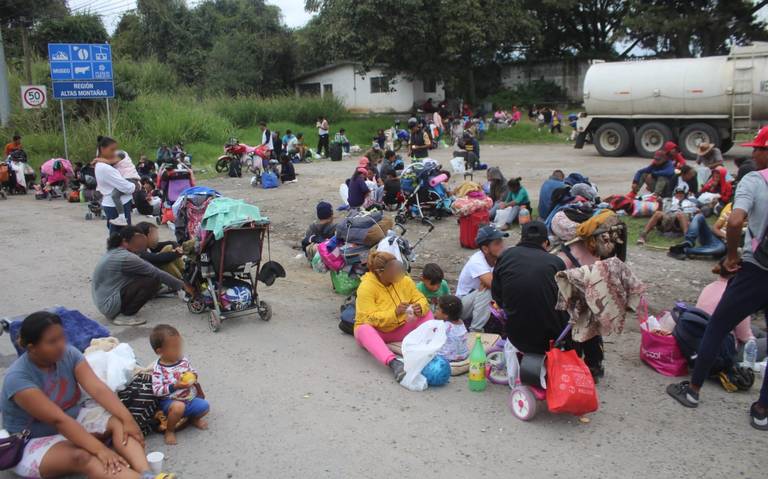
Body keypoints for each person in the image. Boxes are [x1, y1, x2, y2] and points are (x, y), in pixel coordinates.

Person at [667, 126, 768, 431]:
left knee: (718, 324)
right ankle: (762, 411)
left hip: (757, 269)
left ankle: (694, 391)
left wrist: (733, 255)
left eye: (758, 148)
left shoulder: (754, 180)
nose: (753, 154)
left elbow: (736, 220)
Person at [1, 311, 166, 479]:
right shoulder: (18, 379)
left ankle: (146, 473)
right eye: (52, 341)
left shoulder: (69, 354)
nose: (61, 345)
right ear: (31, 348)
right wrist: (100, 450)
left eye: (62, 337)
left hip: (72, 418)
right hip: (32, 439)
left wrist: (128, 420)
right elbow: (59, 421)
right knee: (83, 457)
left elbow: (98, 389)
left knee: (119, 422)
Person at [492, 221, 604, 378]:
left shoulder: (505, 256)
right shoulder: (556, 262)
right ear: (546, 243)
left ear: (522, 239)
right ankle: (593, 365)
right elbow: (568, 300)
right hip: (550, 339)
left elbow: (497, 296)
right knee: (588, 312)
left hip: (516, 335)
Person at [353, 251, 431, 383]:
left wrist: (420, 307)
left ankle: (430, 348)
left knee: (427, 314)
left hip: (401, 327)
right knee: (363, 329)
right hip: (380, 332)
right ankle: (393, 363)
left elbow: (421, 299)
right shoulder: (366, 287)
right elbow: (368, 318)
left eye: (397, 268)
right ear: (380, 272)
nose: (397, 272)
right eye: (393, 270)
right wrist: (394, 313)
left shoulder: (404, 280)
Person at [92, 226, 194, 326]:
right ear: (125, 241)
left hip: (104, 300)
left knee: (149, 275)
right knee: (153, 280)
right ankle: (126, 315)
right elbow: (155, 272)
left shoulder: (116, 251)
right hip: (109, 304)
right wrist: (183, 286)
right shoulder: (126, 257)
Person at [150, 325, 209, 446]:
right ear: (160, 351)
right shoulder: (158, 368)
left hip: (189, 398)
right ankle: (170, 430)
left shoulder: (183, 360)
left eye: (179, 346)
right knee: (178, 407)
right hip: (170, 402)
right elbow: (156, 390)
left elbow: (193, 371)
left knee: (205, 406)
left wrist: (193, 376)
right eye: (174, 348)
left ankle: (192, 419)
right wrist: (175, 386)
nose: (178, 351)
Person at [695, 264, 762, 360]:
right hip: (724, 350)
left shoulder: (709, 287)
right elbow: (744, 337)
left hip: (700, 337)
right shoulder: (738, 296)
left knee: (756, 330)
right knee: (757, 339)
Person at [457, 225, 508, 332]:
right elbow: (494, 285)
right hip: (462, 306)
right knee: (488, 289)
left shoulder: (499, 258)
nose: (502, 246)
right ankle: (475, 330)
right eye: (497, 243)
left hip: (479, 302)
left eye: (501, 242)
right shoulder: (476, 261)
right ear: (485, 248)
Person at [668, 201, 740, 260]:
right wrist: (726, 236)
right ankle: (689, 241)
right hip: (714, 237)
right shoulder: (728, 212)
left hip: (724, 245)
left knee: (720, 248)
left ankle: (683, 250)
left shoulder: (750, 221)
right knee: (699, 216)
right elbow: (715, 228)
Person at [94, 137, 136, 233]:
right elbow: (127, 187)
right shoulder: (105, 168)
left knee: (119, 235)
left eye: (115, 149)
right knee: (121, 236)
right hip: (116, 205)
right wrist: (135, 186)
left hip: (113, 203)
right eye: (112, 150)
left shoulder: (102, 165)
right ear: (102, 149)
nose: (114, 153)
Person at [435, 295, 469, 362]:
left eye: (438, 309)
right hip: (463, 355)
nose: (435, 311)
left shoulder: (445, 326)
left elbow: (435, 339)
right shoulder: (461, 322)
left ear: (446, 315)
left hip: (448, 358)